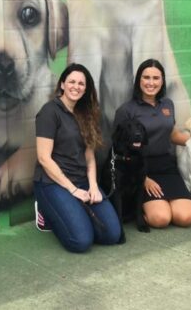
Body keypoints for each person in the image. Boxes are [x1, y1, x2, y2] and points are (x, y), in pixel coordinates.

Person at [33, 63, 122, 252]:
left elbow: (89, 155)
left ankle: (73, 211)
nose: (76, 86)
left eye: (81, 83)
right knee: (80, 242)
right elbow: (43, 158)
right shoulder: (50, 111)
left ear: (86, 88)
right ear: (63, 84)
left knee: (112, 235)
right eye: (72, 81)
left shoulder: (86, 113)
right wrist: (73, 190)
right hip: (52, 182)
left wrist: (93, 186)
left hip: (81, 180)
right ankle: (46, 212)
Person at [112, 59, 191, 229]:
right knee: (160, 219)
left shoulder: (167, 105)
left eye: (156, 78)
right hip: (141, 168)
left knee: (185, 217)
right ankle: (138, 211)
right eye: (146, 77)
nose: (151, 83)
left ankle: (165, 204)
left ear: (162, 81)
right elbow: (118, 146)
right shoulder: (126, 110)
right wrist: (143, 178)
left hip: (167, 166)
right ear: (139, 81)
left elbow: (171, 134)